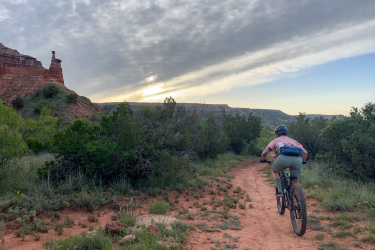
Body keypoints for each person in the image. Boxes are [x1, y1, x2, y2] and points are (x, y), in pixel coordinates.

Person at [260, 125, 308, 195]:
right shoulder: (294, 141)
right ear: (286, 133)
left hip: (283, 158)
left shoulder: (275, 140)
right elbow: (305, 152)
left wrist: (262, 159)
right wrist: (302, 161)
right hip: (297, 160)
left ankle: (280, 191)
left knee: (274, 170)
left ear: (277, 134)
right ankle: (298, 201)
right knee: (295, 181)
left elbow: (265, 152)